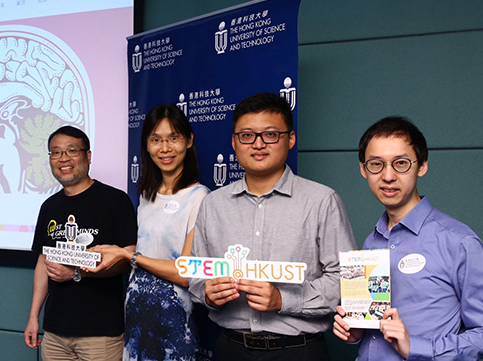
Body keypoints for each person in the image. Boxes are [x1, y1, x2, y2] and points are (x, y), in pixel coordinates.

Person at [189, 92, 357, 360]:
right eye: (247, 135)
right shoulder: (213, 204)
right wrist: (207, 294)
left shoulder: (322, 201)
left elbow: (346, 280)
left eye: (270, 134)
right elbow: (196, 274)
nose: (258, 144)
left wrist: (283, 300)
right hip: (230, 348)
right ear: (234, 142)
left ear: (290, 139)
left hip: (298, 350)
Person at [333, 116, 483, 360]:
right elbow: (373, 329)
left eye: (401, 163)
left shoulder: (459, 242)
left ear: (421, 166)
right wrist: (357, 332)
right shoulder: (372, 242)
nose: (388, 176)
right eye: (376, 164)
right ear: (363, 169)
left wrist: (416, 346)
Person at [86, 105, 210, 360]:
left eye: (173, 138)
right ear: (146, 145)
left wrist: (127, 255)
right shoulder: (146, 195)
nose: (165, 148)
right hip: (136, 316)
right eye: (156, 140)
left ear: (189, 140)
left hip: (173, 320)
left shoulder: (200, 197)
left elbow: (185, 273)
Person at [23, 125, 138, 361]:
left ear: (88, 156)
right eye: (55, 152)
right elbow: (43, 262)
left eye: (71, 150)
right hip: (54, 332)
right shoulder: (49, 207)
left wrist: (77, 273)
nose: (63, 158)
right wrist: (34, 316)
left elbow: (128, 259)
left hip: (100, 334)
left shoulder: (115, 200)